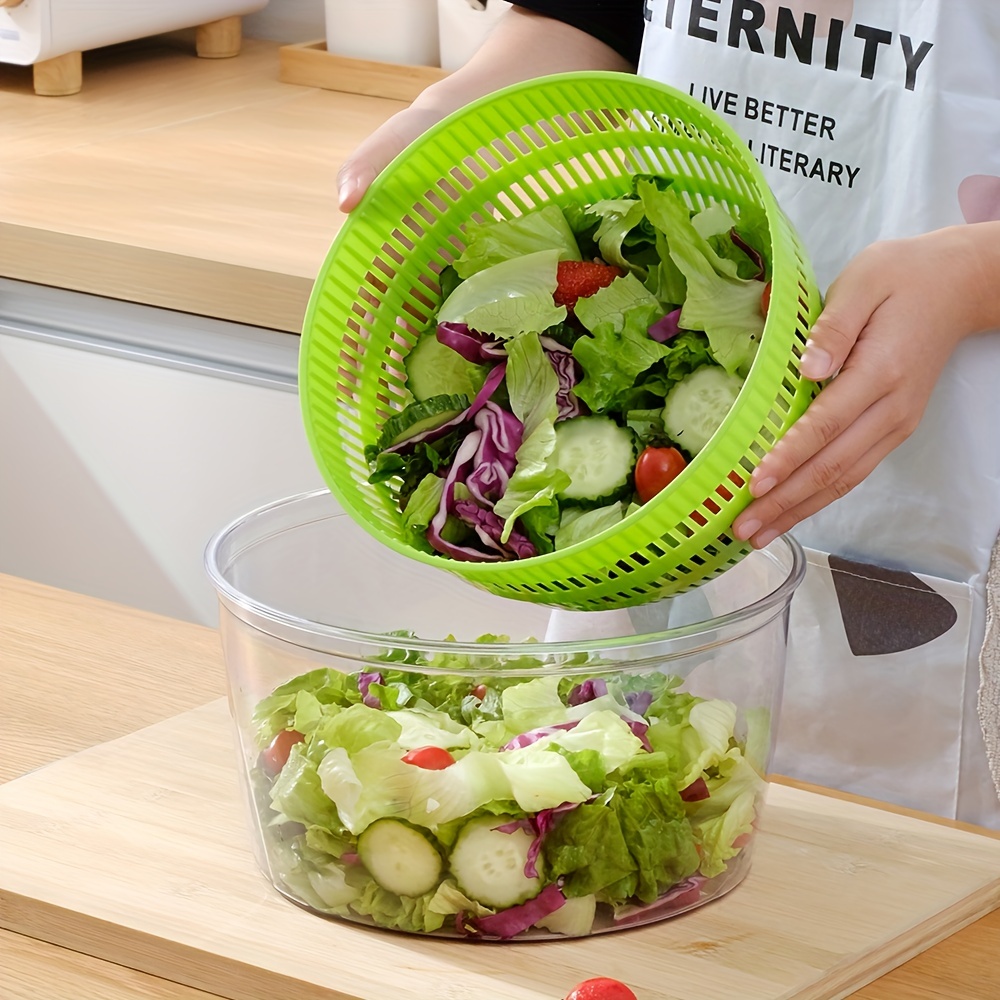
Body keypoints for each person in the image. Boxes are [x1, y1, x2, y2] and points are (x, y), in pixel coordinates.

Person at [337, 2, 1000, 828]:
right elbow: (589, 16)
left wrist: (975, 273)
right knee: (652, 829)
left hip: (966, 458)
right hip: (664, 496)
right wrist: (450, 117)